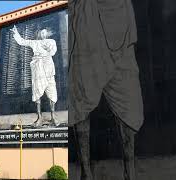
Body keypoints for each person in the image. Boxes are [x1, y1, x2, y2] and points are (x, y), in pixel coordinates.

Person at [68, 0, 144, 179]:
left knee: (129, 101)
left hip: (119, 26)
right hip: (85, 26)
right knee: (80, 98)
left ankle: (130, 171)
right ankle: (86, 172)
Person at [10, 25, 59, 127]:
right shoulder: (34, 42)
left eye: (45, 33)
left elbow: (53, 51)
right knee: (37, 92)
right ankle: (39, 117)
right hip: (38, 69)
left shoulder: (51, 41)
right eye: (41, 33)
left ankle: (53, 117)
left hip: (48, 69)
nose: (43, 34)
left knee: (52, 93)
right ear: (38, 33)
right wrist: (16, 32)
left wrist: (46, 52)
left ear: (47, 33)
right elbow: (22, 41)